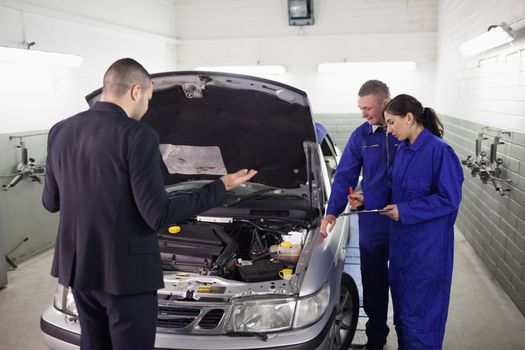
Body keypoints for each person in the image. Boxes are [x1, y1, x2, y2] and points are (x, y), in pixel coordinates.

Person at [42, 58, 257, 350]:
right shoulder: (138, 135)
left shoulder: (60, 130)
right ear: (135, 91)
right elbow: (157, 214)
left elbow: (50, 201)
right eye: (149, 98)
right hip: (125, 276)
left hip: (78, 269)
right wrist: (218, 188)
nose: (146, 107)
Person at [352, 94, 463, 349]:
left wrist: (406, 211)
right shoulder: (404, 149)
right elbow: (392, 187)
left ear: (410, 119)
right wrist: (366, 198)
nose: (388, 130)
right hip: (402, 249)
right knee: (403, 317)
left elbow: (450, 199)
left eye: (391, 123)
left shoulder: (440, 151)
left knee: (422, 323)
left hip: (427, 253)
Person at [321, 80, 398, 350]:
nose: (363, 113)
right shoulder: (361, 136)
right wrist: (332, 212)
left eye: (367, 108)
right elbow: (344, 176)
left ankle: (411, 339)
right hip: (374, 218)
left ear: (385, 103)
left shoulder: (405, 133)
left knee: (404, 282)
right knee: (374, 282)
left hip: (405, 219)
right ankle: (377, 340)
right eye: (360, 108)